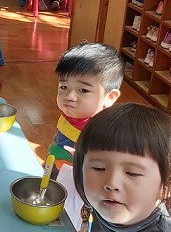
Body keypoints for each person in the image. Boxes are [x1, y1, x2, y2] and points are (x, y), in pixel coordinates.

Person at [72, 102, 171, 232]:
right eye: (99, 168)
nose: (111, 183)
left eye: (132, 173)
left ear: (167, 185)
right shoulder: (112, 204)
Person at [48, 42, 124, 179]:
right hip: (57, 168)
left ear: (110, 97)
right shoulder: (71, 112)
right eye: (64, 87)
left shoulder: (103, 132)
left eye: (83, 90)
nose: (69, 96)